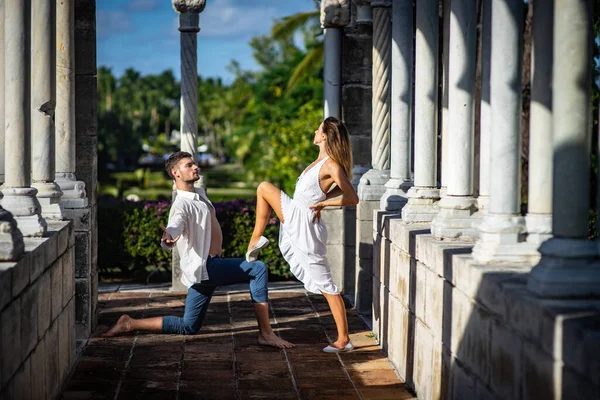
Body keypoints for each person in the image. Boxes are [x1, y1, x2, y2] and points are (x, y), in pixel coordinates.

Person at [104, 151, 295, 349]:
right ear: (175, 173)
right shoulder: (182, 204)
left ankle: (130, 323)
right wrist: (168, 237)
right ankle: (266, 334)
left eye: (194, 164)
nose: (196, 167)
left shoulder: (198, 195)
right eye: (189, 165)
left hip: (202, 271)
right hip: (208, 266)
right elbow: (175, 224)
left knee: (189, 326)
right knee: (258, 269)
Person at [245, 117, 359, 353]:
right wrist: (323, 200)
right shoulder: (319, 163)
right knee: (264, 189)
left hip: (304, 222)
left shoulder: (331, 165)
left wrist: (324, 205)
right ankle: (255, 239)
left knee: (326, 284)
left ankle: (344, 340)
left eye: (318, 129)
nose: (315, 131)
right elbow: (327, 191)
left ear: (325, 135)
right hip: (299, 217)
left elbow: (352, 197)